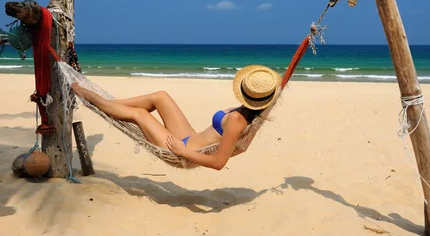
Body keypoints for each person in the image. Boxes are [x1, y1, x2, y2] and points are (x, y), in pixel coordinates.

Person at [70, 65, 281, 170]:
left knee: (140, 114)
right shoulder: (249, 111)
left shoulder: (237, 121)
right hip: (189, 136)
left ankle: (92, 96)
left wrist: (182, 151)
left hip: (182, 151)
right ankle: (108, 104)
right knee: (160, 97)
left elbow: (219, 162)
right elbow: (279, 84)